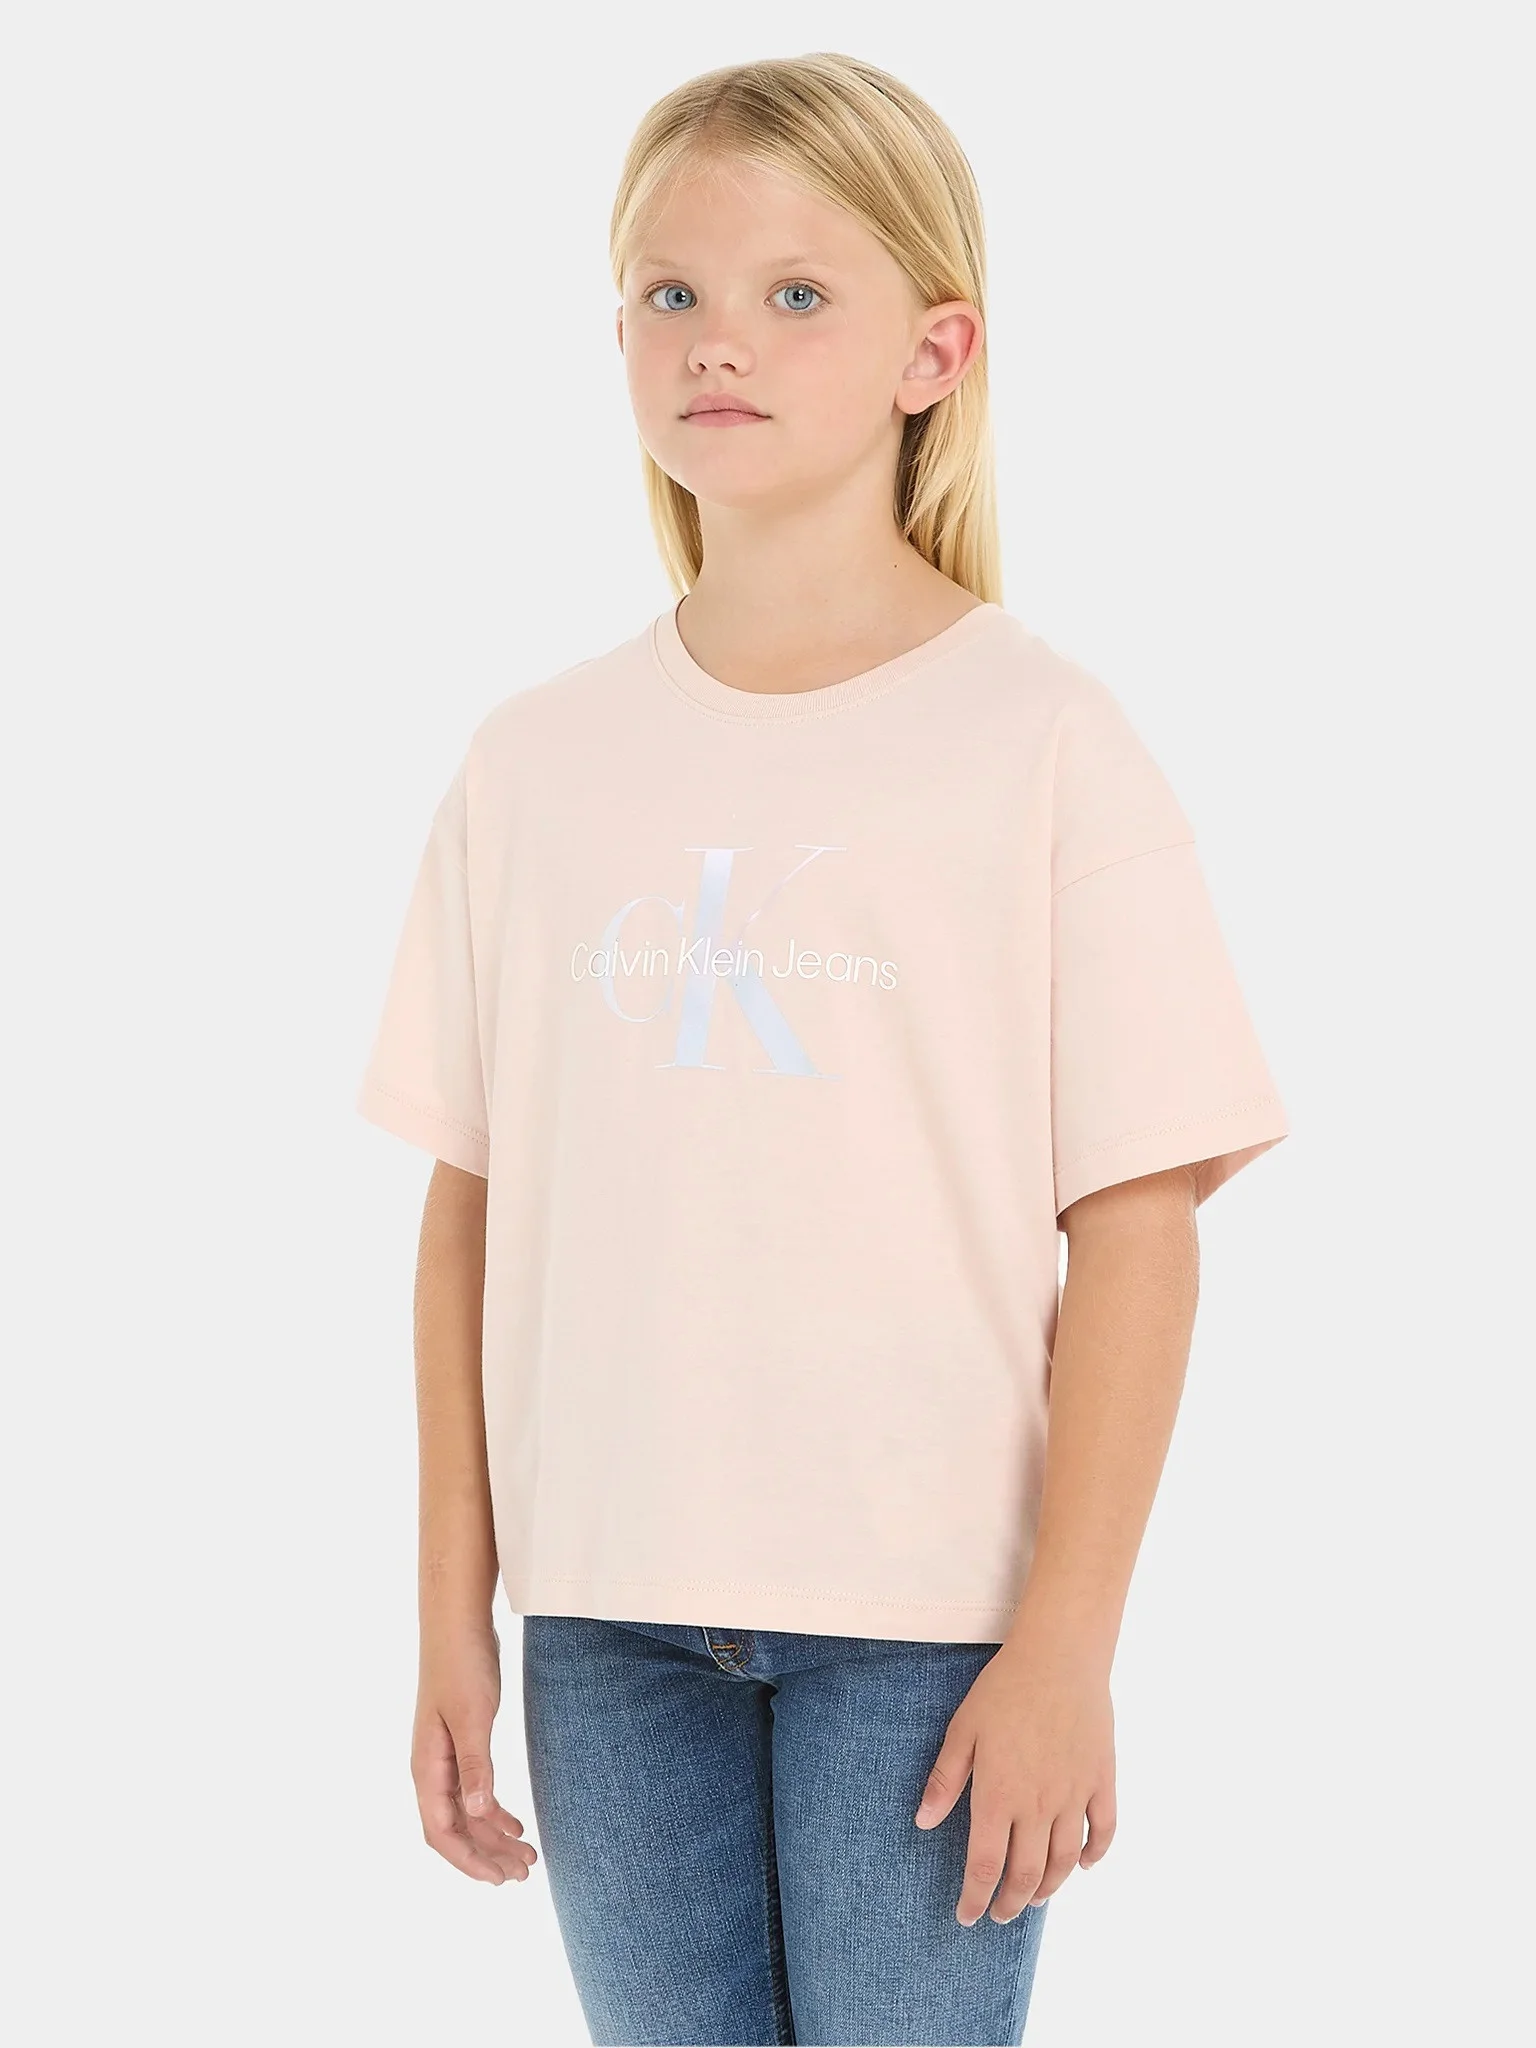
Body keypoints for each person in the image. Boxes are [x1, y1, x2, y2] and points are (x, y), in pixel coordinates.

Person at [355, 51, 1289, 2048]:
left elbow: (1141, 1226)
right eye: (671, 293)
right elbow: (469, 1207)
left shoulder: (1041, 741)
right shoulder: (535, 762)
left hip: (929, 1634)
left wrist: (1067, 1643)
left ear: (934, 351)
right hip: (607, 1625)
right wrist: (453, 1606)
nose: (721, 340)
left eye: (796, 294)